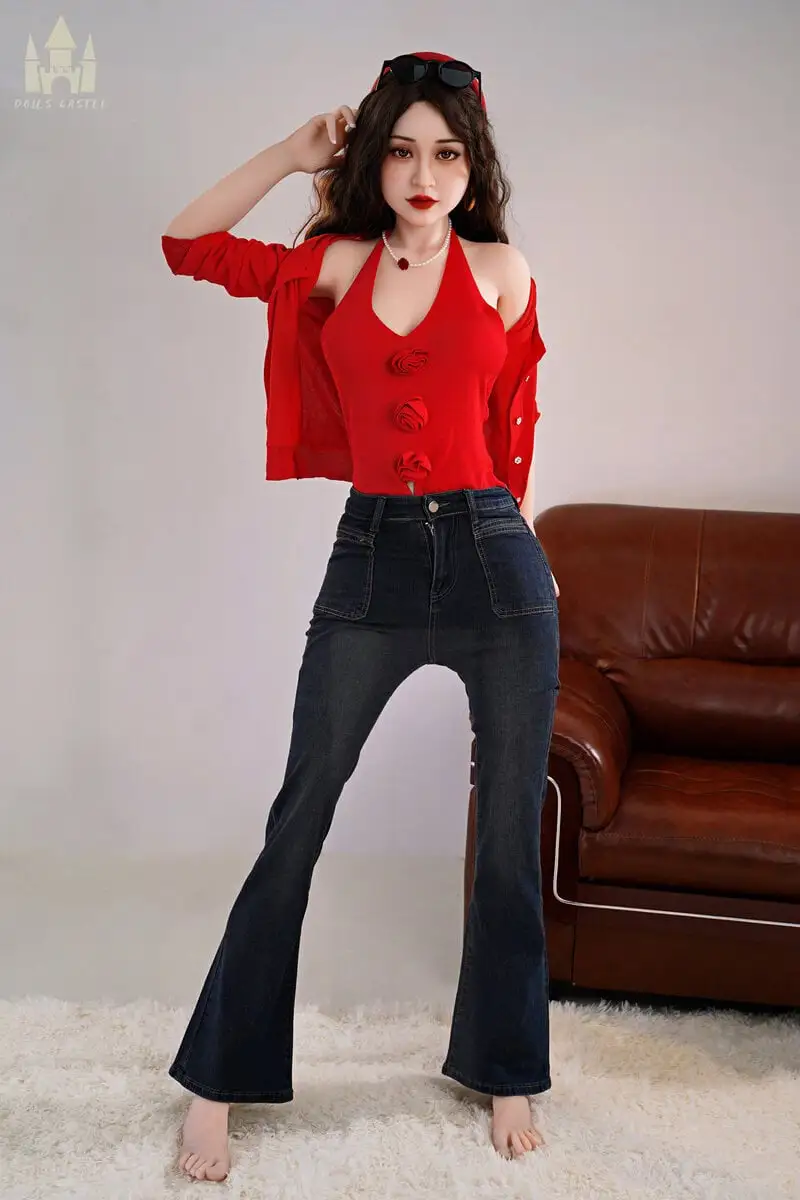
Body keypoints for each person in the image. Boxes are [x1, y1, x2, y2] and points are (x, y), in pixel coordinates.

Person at [161, 51, 560, 1182]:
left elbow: (513, 423)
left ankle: (506, 1064)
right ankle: (217, 1078)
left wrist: (519, 556)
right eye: (400, 151)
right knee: (298, 819)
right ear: (373, 161)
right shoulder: (333, 264)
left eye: (447, 153)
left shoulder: (502, 269)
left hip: (494, 566)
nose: (423, 174)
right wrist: (291, 154)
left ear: (473, 167)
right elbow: (185, 243)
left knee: (504, 844)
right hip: (371, 563)